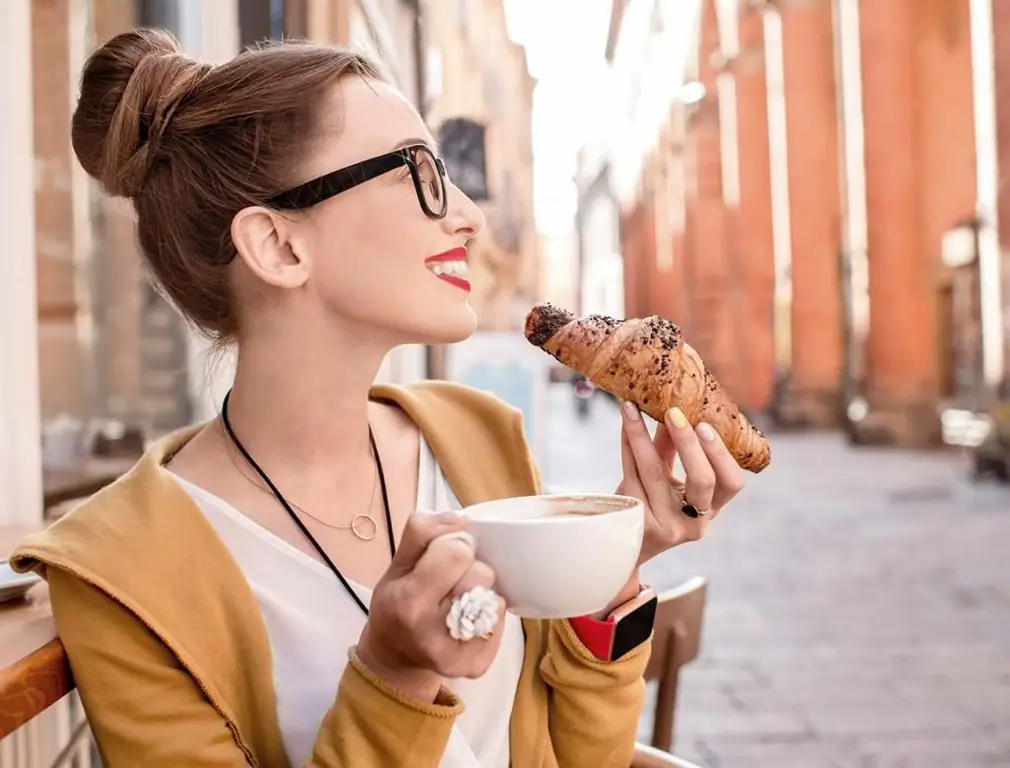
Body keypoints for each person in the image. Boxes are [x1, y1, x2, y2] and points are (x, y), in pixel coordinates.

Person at [12, 29, 745, 767]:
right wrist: (393, 676)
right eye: (419, 173)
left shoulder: (476, 436)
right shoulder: (118, 572)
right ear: (279, 246)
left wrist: (608, 562)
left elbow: (585, 758)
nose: (467, 215)